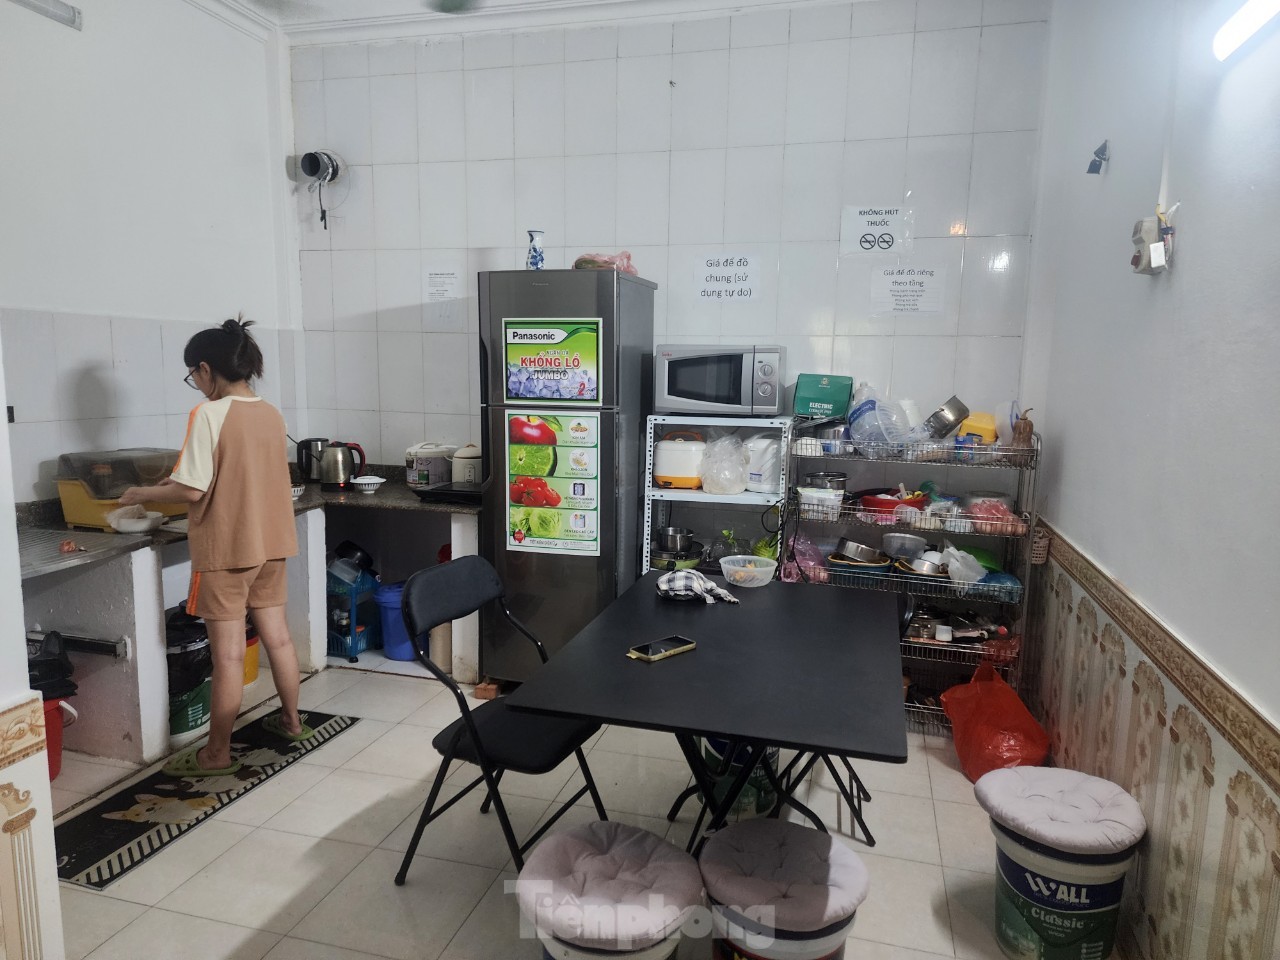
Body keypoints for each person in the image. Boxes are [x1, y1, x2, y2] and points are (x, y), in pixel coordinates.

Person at [120, 316, 310, 776]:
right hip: (272, 543)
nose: (196, 385)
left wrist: (140, 494)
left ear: (206, 369)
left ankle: (217, 753)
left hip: (228, 550)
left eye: (194, 375)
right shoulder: (270, 413)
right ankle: (291, 721)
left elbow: (193, 491)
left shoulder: (208, 413)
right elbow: (231, 475)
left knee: (226, 654)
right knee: (278, 637)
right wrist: (177, 480)